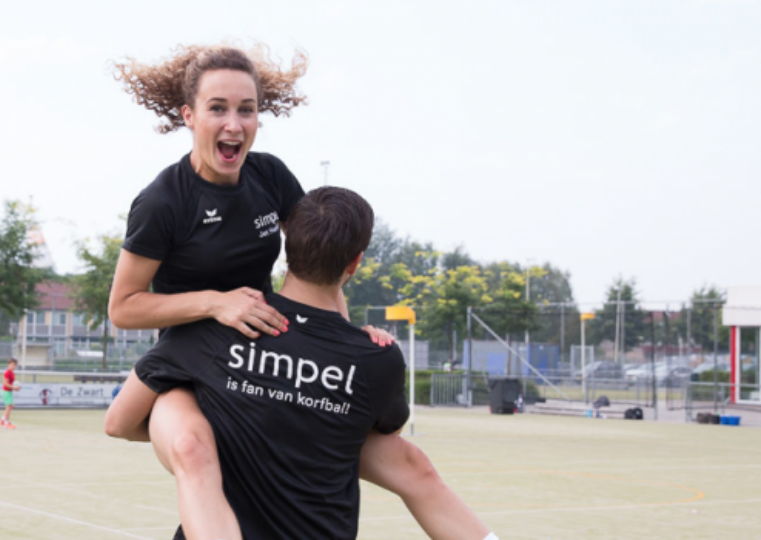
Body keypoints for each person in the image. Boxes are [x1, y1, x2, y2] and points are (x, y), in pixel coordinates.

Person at [106, 44, 490, 540]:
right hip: (192, 363)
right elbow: (123, 306)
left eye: (247, 110)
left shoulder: (269, 175)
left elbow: (319, 257)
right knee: (195, 453)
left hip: (263, 345)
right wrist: (215, 303)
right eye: (217, 108)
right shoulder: (163, 201)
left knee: (411, 464)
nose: (234, 124)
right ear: (189, 115)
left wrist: (344, 340)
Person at [108, 188, 495, 539]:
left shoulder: (216, 326)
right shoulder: (376, 358)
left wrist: (222, 422)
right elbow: (382, 443)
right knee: (411, 462)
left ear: (285, 248)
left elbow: (119, 422)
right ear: (355, 262)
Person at [0, 358, 20, 429]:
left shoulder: (12, 373)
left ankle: (3, 419)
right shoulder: (7, 372)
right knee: (8, 407)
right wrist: (14, 388)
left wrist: (16, 387)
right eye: (12, 364)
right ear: (8, 365)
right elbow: (5, 383)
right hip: (6, 392)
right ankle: (6, 422)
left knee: (11, 406)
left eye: (15, 365)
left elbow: (11, 384)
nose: (13, 366)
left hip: (9, 392)